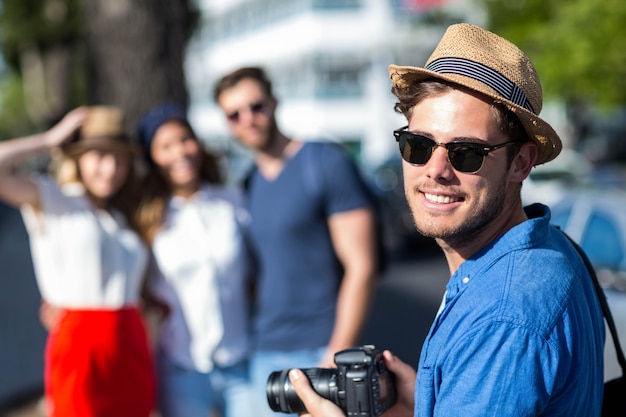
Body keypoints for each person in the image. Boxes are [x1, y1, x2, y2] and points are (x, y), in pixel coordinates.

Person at [290, 23, 606, 417]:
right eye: (417, 145)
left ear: (520, 163)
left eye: (466, 152)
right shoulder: (550, 246)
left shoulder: (503, 316)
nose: (435, 170)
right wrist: (425, 402)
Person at [213, 66, 380, 414]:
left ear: (273, 102)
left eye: (255, 106)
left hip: (319, 349)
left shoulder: (324, 162)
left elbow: (362, 265)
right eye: (234, 114)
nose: (248, 119)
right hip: (261, 354)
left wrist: (337, 352)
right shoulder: (247, 184)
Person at [0, 106, 156, 417]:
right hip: (80, 346)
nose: (110, 168)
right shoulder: (54, 198)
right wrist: (49, 139)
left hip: (132, 343)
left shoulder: (123, 216)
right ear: (78, 158)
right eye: (99, 155)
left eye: (119, 157)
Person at [135, 102, 254, 417]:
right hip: (181, 367)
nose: (180, 152)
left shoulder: (233, 203)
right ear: (152, 157)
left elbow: (258, 271)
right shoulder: (149, 220)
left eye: (185, 140)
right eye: (165, 146)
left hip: (242, 362)